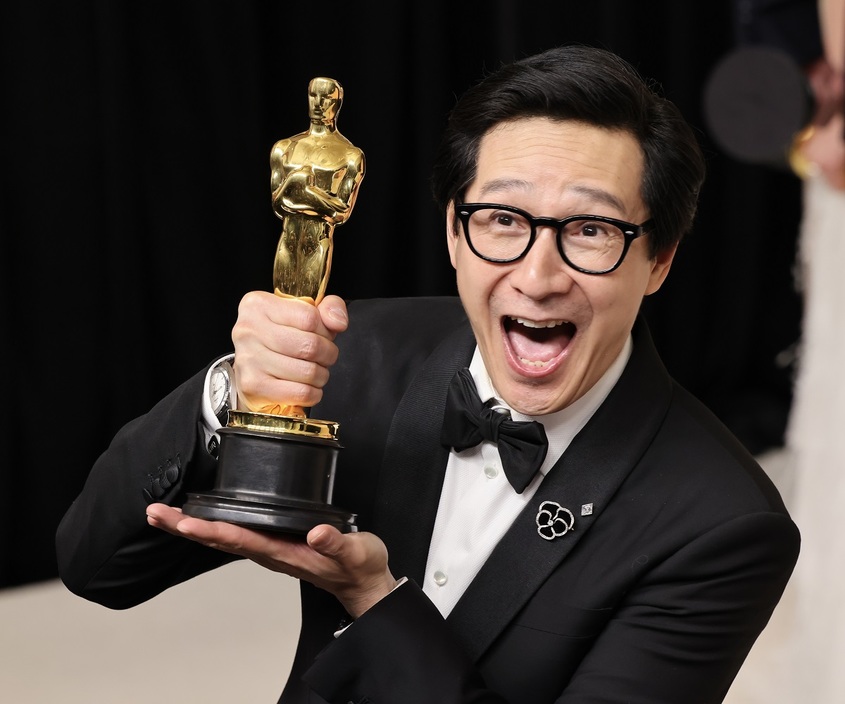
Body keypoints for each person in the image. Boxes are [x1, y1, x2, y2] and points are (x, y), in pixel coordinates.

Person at [56, 45, 799, 704]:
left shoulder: (723, 523)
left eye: (590, 230)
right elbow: (98, 565)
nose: (537, 276)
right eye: (502, 220)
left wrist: (371, 599)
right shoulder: (360, 355)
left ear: (659, 261)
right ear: (453, 230)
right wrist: (230, 391)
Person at [270, 76, 365, 306]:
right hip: (288, 238)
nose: (319, 103)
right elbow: (277, 203)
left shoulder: (350, 155)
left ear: (337, 104)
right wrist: (296, 182)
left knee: (306, 312)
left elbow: (341, 211)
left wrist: (303, 190)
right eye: (314, 95)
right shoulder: (285, 148)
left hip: (318, 239)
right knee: (281, 311)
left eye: (327, 98)